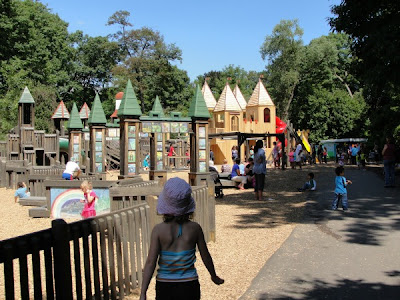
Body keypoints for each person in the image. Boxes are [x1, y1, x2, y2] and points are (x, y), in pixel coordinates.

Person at [139, 178, 224, 300]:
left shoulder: (158, 230)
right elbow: (205, 256)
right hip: (189, 284)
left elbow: (150, 262)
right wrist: (213, 275)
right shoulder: (195, 228)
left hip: (165, 285)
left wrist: (143, 292)